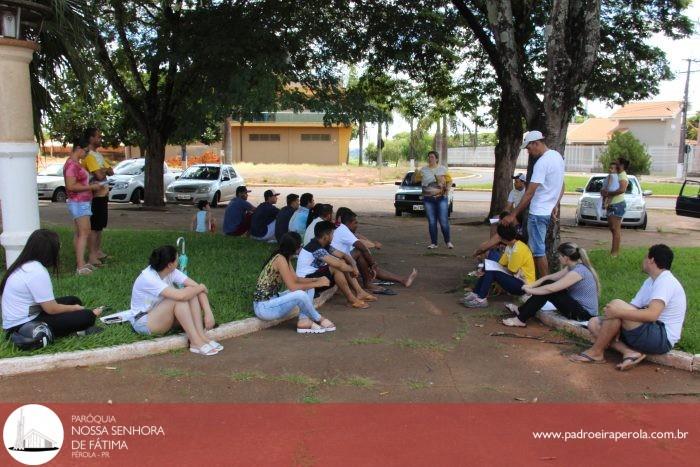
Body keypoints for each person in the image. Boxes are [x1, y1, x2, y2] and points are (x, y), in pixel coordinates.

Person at [570, 244, 686, 370]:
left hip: (662, 338)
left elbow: (652, 315)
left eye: (645, 257)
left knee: (617, 306)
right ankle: (629, 352)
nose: (643, 261)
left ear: (651, 260)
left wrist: (617, 313)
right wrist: (614, 316)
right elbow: (632, 307)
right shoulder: (651, 281)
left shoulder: (666, 281)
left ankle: (596, 352)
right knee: (593, 323)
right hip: (648, 330)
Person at [1, 229, 104, 341]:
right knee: (87, 316)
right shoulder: (36, 271)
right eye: (58, 245)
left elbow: (47, 305)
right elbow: (51, 309)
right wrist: (76, 309)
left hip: (28, 315)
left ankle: (73, 326)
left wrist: (73, 307)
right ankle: (76, 330)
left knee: (73, 300)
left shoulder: (27, 265)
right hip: (22, 325)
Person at [129, 245, 221, 356]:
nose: (178, 262)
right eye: (177, 260)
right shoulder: (149, 278)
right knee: (179, 299)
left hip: (161, 316)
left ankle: (201, 336)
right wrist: (201, 286)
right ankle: (195, 342)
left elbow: (195, 288)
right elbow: (182, 295)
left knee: (190, 292)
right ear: (170, 264)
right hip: (144, 323)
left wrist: (208, 312)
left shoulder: (170, 271)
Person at [503, 131, 565, 277]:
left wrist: (513, 214)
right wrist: (555, 204)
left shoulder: (542, 163)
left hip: (537, 213)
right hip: (546, 210)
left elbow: (529, 193)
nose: (529, 152)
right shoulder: (557, 157)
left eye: (529, 148)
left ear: (536, 143)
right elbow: (562, 186)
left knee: (538, 252)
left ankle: (545, 286)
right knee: (538, 249)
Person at [502, 242, 600, 327]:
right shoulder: (573, 266)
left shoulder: (577, 272)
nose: (558, 258)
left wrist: (531, 291)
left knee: (549, 290)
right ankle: (521, 310)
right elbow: (549, 278)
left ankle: (521, 319)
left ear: (566, 258)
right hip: (578, 308)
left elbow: (551, 289)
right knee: (548, 284)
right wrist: (530, 286)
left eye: (559, 255)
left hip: (584, 315)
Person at [254, 232, 336, 334]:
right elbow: (293, 287)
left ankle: (304, 320)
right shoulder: (280, 259)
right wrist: (318, 284)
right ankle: (319, 318)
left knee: (308, 288)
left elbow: (296, 279)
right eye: (300, 245)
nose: (301, 248)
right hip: (264, 308)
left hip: (273, 301)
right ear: (294, 248)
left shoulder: (283, 257)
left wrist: (316, 280)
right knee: (300, 294)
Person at [332, 209, 417, 294]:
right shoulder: (343, 231)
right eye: (355, 223)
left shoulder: (342, 229)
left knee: (364, 259)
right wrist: (373, 263)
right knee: (360, 252)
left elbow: (360, 241)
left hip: (342, 261)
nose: (357, 225)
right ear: (349, 223)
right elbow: (362, 247)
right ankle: (368, 283)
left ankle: (401, 280)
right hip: (337, 264)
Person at [296, 220, 377, 309]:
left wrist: (353, 266)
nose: (333, 236)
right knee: (336, 267)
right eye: (332, 234)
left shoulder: (324, 244)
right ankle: (351, 299)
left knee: (342, 263)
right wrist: (353, 270)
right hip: (306, 281)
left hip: (315, 277)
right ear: (326, 236)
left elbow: (343, 255)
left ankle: (359, 292)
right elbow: (338, 265)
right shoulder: (315, 248)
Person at [462, 223, 535, 308]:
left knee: (491, 271)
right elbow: (501, 263)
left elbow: (511, 271)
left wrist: (493, 270)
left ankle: (481, 299)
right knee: (489, 267)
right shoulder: (510, 246)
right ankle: (476, 293)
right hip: (516, 279)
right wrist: (487, 268)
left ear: (502, 239)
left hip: (523, 286)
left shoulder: (518, 250)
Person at [63, 138, 102, 275]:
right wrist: (91, 186)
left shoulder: (74, 163)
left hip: (81, 202)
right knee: (84, 232)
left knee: (80, 233)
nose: (86, 154)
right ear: (78, 148)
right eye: (85, 151)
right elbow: (71, 186)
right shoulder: (72, 165)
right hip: (79, 202)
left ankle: (81, 262)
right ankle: (80, 265)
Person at [82, 128, 113, 266]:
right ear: (90, 138)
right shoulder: (89, 156)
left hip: (103, 193)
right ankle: (92, 256)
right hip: (94, 195)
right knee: (94, 226)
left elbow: (111, 171)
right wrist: (102, 171)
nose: (100, 139)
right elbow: (100, 176)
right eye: (98, 137)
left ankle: (98, 251)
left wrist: (102, 170)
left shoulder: (98, 155)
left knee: (100, 226)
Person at [411, 151, 453, 249]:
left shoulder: (442, 169)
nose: (430, 159)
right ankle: (434, 243)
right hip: (428, 199)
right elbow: (414, 180)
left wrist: (447, 190)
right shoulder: (423, 170)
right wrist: (415, 172)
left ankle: (448, 242)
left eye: (432, 157)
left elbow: (450, 181)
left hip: (441, 198)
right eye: (429, 157)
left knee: (443, 221)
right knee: (432, 221)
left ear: (437, 159)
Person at [602, 157, 629, 257]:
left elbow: (622, 189)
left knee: (615, 228)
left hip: (618, 204)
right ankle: (613, 252)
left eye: (617, 163)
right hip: (612, 204)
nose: (615, 164)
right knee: (612, 228)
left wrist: (608, 193)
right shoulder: (616, 174)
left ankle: (615, 253)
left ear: (622, 165)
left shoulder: (622, 175)